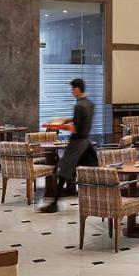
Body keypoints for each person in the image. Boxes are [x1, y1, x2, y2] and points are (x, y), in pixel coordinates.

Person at [38, 78, 99, 213]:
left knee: (63, 172)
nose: (71, 92)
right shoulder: (90, 104)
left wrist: (58, 125)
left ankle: (54, 204)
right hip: (86, 142)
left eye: (72, 89)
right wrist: (69, 119)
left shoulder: (79, 106)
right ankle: (99, 199)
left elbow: (76, 128)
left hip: (77, 144)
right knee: (95, 172)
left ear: (77, 89)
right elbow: (83, 120)